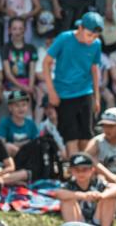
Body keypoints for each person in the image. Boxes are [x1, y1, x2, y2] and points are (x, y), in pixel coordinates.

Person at [42, 11, 104, 155]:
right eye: (89, 35)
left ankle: (84, 166)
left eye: (95, 36)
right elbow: (46, 62)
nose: (92, 39)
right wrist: (51, 92)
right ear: (80, 28)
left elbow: (94, 68)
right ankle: (75, 166)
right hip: (64, 95)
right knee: (71, 137)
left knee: (86, 136)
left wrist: (97, 97)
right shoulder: (64, 38)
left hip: (85, 92)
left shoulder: (96, 45)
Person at [57, 152, 116, 226]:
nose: (81, 173)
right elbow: (57, 193)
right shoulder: (69, 185)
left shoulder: (98, 183)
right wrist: (84, 196)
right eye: (77, 169)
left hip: (98, 221)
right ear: (71, 170)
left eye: (84, 169)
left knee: (110, 198)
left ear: (92, 170)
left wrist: (102, 195)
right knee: (67, 200)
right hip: (79, 222)